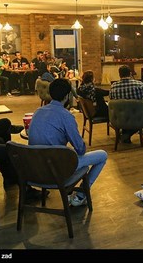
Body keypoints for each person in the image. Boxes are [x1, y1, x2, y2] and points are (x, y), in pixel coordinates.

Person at [28, 78, 108, 206]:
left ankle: (73, 192)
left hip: (34, 170)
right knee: (102, 155)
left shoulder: (38, 112)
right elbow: (80, 150)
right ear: (67, 96)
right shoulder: (66, 116)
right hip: (56, 170)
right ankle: (80, 196)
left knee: (75, 159)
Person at [109, 65, 143, 143]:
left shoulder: (113, 87)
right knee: (136, 113)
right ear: (130, 74)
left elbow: (111, 100)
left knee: (124, 111)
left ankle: (125, 135)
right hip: (138, 117)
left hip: (120, 118)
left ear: (119, 75)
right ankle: (126, 136)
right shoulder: (139, 85)